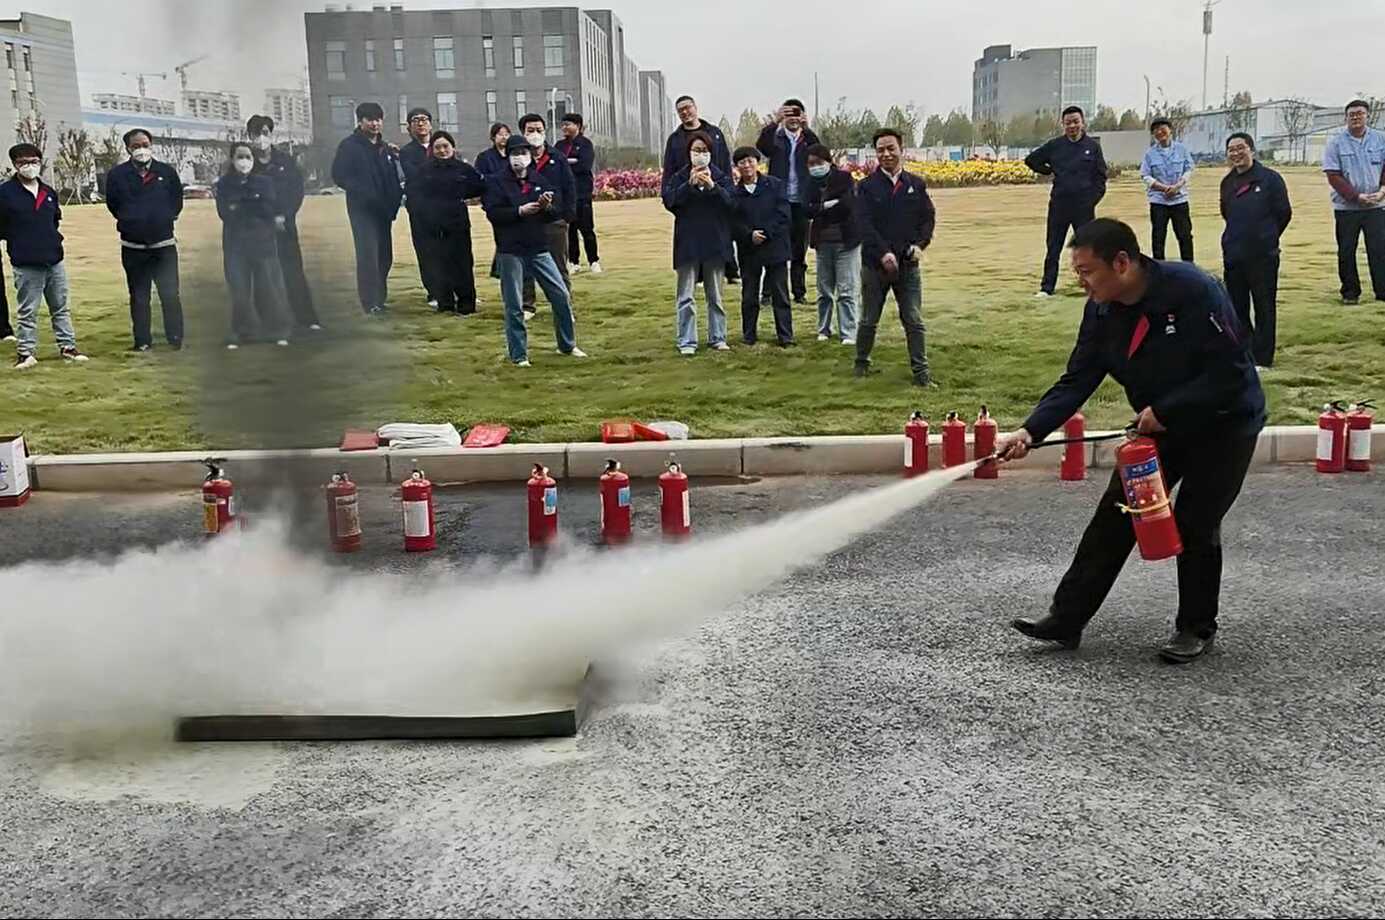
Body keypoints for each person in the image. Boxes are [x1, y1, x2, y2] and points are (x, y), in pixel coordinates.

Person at [999, 218, 1266, 665]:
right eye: (1077, 272)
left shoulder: (1194, 290)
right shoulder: (1101, 310)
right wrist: (1030, 431)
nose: (1081, 282)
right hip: (1159, 429)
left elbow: (1232, 372)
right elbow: (1077, 378)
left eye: (1087, 271)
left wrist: (1167, 410)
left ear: (1122, 262)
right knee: (1117, 513)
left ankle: (1195, 627)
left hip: (1225, 426)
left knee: (1196, 521)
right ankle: (1066, 619)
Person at [482, 134, 587, 366]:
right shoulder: (496, 182)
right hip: (510, 249)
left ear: (530, 156)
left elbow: (555, 211)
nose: (519, 158)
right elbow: (493, 213)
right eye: (514, 153)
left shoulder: (540, 180)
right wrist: (519, 211)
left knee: (560, 295)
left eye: (523, 153)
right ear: (507, 156)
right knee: (515, 305)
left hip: (538, 247)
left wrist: (546, 206)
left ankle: (567, 344)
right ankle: (519, 354)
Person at [853, 128, 935, 386]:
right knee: (869, 319)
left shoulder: (915, 185)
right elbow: (864, 224)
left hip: (908, 265)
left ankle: (921, 374)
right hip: (875, 266)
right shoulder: (866, 187)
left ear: (902, 150)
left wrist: (920, 245)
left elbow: (927, 219)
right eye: (880, 150)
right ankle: (861, 365)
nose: (886, 154)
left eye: (891, 148)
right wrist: (883, 253)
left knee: (913, 320)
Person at [1, 143, 88, 369]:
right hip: (26, 261)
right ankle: (26, 353)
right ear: (15, 165)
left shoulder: (48, 192)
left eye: (34, 161)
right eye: (23, 162)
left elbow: (54, 220)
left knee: (60, 307)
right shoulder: (5, 193)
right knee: (28, 310)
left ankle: (68, 347)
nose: (29, 166)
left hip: (53, 258)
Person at [104, 127, 185, 352]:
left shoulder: (166, 172)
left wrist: (164, 218)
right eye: (136, 146)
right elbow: (113, 204)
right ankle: (142, 340)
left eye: (145, 145)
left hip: (163, 246)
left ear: (151, 145)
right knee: (139, 296)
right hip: (133, 247)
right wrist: (130, 220)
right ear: (128, 148)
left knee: (170, 293)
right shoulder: (117, 175)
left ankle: (175, 337)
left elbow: (176, 200)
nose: (141, 149)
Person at [1221, 132, 1291, 370]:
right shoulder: (1227, 182)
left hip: (1263, 255)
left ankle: (1263, 358)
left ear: (1251, 150)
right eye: (1231, 150)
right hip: (1234, 254)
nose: (1236, 153)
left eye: (1240, 148)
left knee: (1264, 307)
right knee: (1236, 307)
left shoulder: (1270, 179)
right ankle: (1245, 352)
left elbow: (1283, 213)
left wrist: (1266, 236)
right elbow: (1227, 213)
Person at [662, 131, 735, 355]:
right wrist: (689, 186)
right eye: (696, 150)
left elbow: (731, 203)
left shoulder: (721, 177)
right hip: (688, 241)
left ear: (711, 153)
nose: (700, 154)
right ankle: (687, 341)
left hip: (715, 241)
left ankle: (718, 337)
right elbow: (670, 202)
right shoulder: (680, 177)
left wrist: (713, 187)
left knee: (716, 296)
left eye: (704, 150)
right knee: (686, 296)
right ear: (689, 153)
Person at [1025, 106, 1108, 297]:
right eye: (1068, 122)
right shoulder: (1055, 145)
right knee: (1053, 247)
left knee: (1087, 248)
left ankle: (1092, 285)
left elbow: (1101, 177)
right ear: (1063, 124)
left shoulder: (1092, 147)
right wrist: (1048, 170)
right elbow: (1031, 160)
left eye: (1076, 121)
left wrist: (1092, 200)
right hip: (1059, 204)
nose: (1072, 126)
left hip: (1084, 207)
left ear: (1083, 122)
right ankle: (1047, 288)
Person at [216, 141, 292, 349]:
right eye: (239, 157)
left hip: (262, 242)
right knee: (239, 291)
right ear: (232, 159)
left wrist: (243, 203)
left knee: (268, 289)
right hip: (235, 244)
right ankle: (242, 332)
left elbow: (268, 209)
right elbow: (226, 212)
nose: (244, 161)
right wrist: (252, 202)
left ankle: (277, 331)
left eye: (248, 157)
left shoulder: (264, 182)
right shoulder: (224, 184)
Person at [247, 114, 320, 332]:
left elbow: (295, 191)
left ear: (271, 134)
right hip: (258, 229)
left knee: (293, 272)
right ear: (249, 136)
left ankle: (307, 319)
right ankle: (268, 322)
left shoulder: (285, 162)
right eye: (256, 134)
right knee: (261, 274)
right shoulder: (245, 163)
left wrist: (285, 215)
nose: (261, 138)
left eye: (265, 132)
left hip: (285, 227)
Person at [331, 101, 403, 315]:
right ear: (360, 121)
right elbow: (339, 175)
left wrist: (393, 200)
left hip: (383, 210)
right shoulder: (349, 146)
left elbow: (392, 176)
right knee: (368, 256)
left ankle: (380, 299)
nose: (375, 124)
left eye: (378, 119)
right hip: (362, 210)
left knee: (384, 256)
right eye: (370, 119)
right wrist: (362, 191)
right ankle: (369, 302)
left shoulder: (385, 148)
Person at [409, 130, 486, 315]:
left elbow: (479, 186)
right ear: (432, 150)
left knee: (463, 263)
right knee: (439, 264)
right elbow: (413, 194)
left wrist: (465, 197)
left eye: (446, 146)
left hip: (458, 222)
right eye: (438, 147)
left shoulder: (463, 168)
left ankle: (466, 304)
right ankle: (445, 303)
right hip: (432, 224)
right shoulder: (423, 171)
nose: (442, 151)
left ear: (453, 147)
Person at [664, 95, 737, 283]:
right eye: (680, 110)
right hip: (688, 200)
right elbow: (669, 173)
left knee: (720, 239)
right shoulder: (675, 140)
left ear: (695, 107)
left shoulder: (715, 133)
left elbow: (725, 167)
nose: (685, 112)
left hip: (715, 198)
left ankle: (730, 269)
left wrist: (722, 189)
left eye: (688, 107)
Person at [757, 98, 821, 304]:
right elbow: (762, 146)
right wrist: (775, 122)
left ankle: (799, 293)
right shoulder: (777, 138)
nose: (793, 119)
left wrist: (807, 128)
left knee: (799, 251)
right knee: (774, 248)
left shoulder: (807, 140)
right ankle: (768, 294)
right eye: (789, 114)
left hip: (801, 202)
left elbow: (819, 151)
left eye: (797, 114)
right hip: (780, 202)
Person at [1322, 99, 1385, 305]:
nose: (1356, 117)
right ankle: (1350, 292)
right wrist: (1356, 197)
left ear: (1367, 116)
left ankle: (1382, 291)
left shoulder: (1381, 139)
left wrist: (1382, 191)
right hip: (1347, 208)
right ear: (1346, 118)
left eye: (1360, 113)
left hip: (1377, 205)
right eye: (1352, 114)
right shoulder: (1336, 143)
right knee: (1346, 250)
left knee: (1379, 249)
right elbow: (1333, 175)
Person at [730, 146, 793, 347]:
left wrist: (766, 233)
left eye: (750, 161)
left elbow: (783, 214)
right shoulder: (734, 193)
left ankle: (785, 336)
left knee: (780, 293)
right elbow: (732, 221)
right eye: (742, 162)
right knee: (749, 295)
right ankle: (749, 335)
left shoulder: (775, 185)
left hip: (775, 246)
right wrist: (749, 235)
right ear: (737, 167)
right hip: (749, 250)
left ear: (758, 162)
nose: (747, 165)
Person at [517, 112, 576, 319]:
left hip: (554, 221)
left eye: (539, 130)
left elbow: (569, 186)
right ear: (523, 133)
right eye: (530, 130)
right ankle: (527, 306)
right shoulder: (519, 159)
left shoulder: (557, 157)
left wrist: (567, 216)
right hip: (527, 221)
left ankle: (564, 306)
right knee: (525, 266)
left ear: (545, 131)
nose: (535, 134)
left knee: (559, 266)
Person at [804, 143, 858, 345]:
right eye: (811, 164)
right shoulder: (809, 183)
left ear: (828, 161)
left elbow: (847, 205)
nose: (815, 166)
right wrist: (826, 205)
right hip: (822, 242)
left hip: (846, 241)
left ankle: (848, 332)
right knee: (824, 290)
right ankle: (824, 328)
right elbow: (806, 210)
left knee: (846, 290)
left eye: (818, 162)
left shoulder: (844, 178)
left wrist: (820, 208)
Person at [399, 107, 440, 307]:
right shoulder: (407, 152)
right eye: (416, 120)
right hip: (420, 208)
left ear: (431, 124)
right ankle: (434, 292)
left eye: (424, 119)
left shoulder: (440, 145)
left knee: (449, 248)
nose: (421, 123)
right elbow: (415, 176)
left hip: (444, 206)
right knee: (426, 249)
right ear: (409, 127)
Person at [1140, 118, 1195, 262]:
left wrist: (1178, 186)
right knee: (1158, 237)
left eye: (1162, 128)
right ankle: (1159, 268)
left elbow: (1189, 169)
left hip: (1180, 200)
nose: (1159, 132)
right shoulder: (1150, 154)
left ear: (1170, 130)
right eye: (1155, 130)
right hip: (1159, 201)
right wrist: (1164, 188)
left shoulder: (1182, 149)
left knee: (1185, 236)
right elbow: (1145, 176)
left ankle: (1189, 267)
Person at [559, 113, 600, 274]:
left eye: (568, 124)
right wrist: (570, 161)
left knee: (587, 228)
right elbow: (557, 165)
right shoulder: (559, 145)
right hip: (566, 195)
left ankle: (594, 260)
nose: (564, 127)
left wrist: (567, 163)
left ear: (577, 126)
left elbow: (584, 165)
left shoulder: (585, 144)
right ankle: (573, 261)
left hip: (582, 193)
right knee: (570, 230)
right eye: (563, 124)